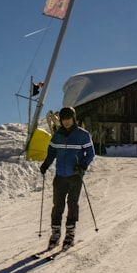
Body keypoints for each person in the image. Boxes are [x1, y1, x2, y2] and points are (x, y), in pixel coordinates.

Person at [40, 106, 95, 249]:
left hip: (75, 176)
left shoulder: (83, 135)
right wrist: (46, 165)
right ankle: (55, 234)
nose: (66, 122)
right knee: (57, 205)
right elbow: (51, 153)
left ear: (73, 118)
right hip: (60, 176)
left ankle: (70, 234)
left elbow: (90, 153)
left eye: (68, 118)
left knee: (72, 204)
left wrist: (82, 166)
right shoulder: (57, 135)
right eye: (64, 119)